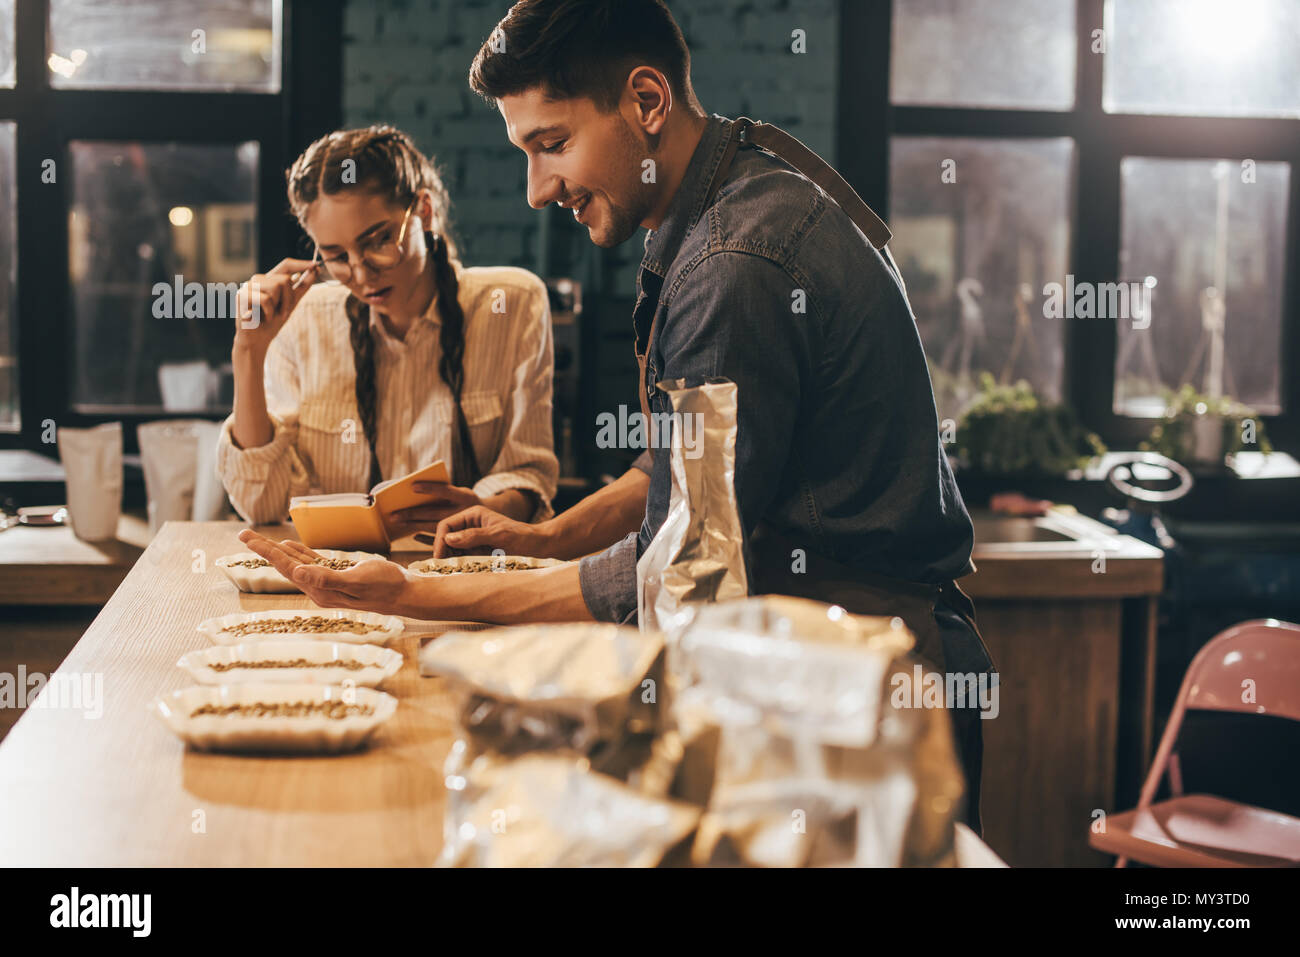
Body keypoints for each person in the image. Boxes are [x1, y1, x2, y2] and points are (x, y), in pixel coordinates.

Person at [239, 0, 994, 833]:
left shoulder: (729, 265)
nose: (537, 190)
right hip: (832, 669)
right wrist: (543, 539)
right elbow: (684, 467)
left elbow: (688, 569)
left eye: (551, 144)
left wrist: (408, 593)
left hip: (858, 697)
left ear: (646, 101)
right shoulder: (737, 196)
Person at [218, 125, 558, 537]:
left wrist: (482, 507)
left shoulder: (513, 303)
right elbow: (261, 505)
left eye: (378, 241)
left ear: (424, 213)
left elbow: (528, 474)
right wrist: (248, 351)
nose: (361, 274)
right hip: (335, 584)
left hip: (460, 574)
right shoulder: (302, 319)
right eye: (336, 256)